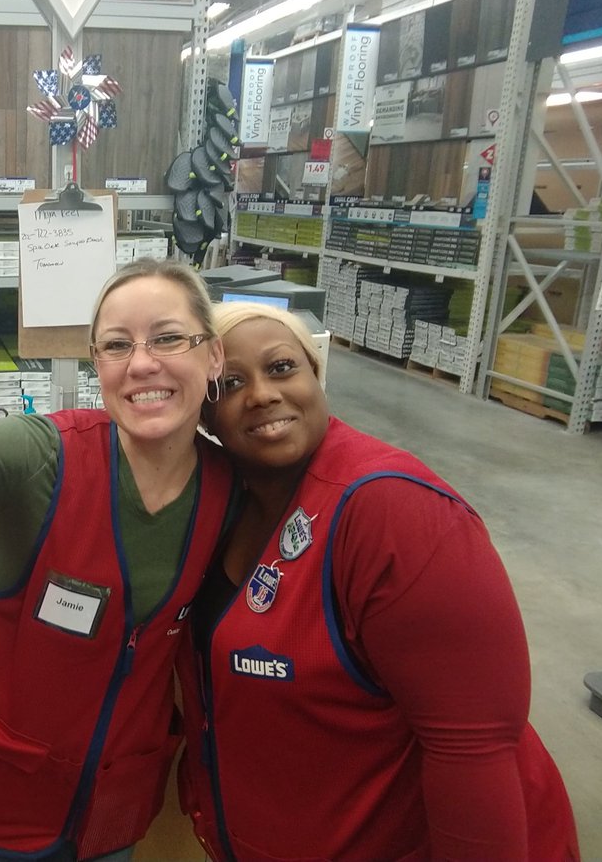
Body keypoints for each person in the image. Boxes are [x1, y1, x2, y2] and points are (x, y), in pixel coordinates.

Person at [0, 258, 235, 861]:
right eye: (117, 345)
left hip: (109, 817)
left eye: (168, 337)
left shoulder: (229, 493)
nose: (142, 363)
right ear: (97, 364)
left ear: (213, 355)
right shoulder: (39, 456)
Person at [177, 301, 580, 861]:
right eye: (231, 384)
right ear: (204, 415)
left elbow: (472, 753)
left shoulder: (395, 512)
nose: (263, 394)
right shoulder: (220, 502)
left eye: (282, 367)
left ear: (316, 374)